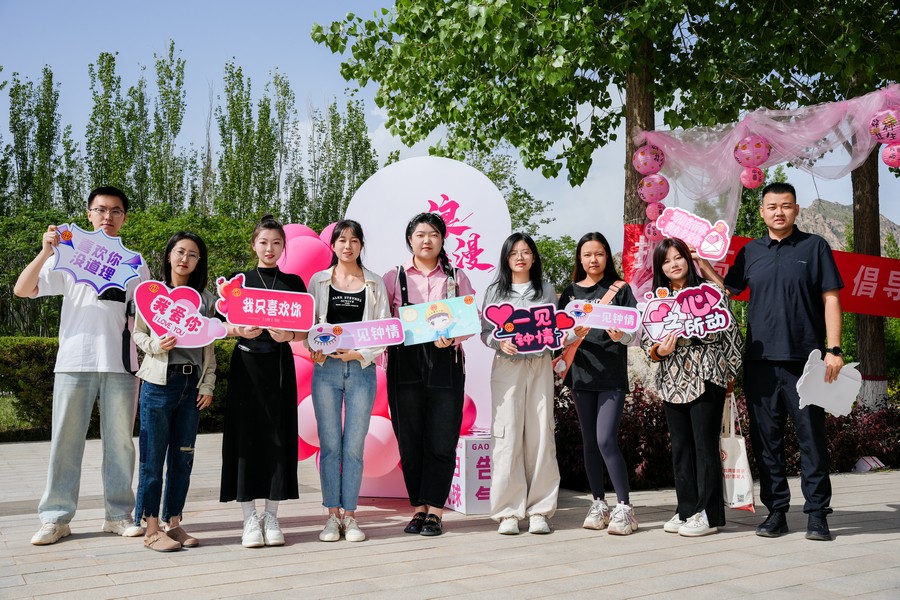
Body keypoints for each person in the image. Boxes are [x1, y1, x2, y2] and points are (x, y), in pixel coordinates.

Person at [707, 181, 843, 541]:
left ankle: (817, 514)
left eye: (785, 205)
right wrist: (700, 263)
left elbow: (831, 298)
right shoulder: (751, 251)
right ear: (762, 211)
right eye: (772, 206)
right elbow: (728, 291)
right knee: (767, 440)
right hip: (760, 362)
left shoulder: (815, 247)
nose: (778, 212)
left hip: (806, 361)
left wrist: (834, 349)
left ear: (796, 209)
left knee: (811, 438)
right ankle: (777, 512)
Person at [14, 186, 149, 545]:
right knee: (66, 442)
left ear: (124, 217)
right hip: (75, 360)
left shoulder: (135, 261)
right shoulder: (69, 254)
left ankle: (118, 515)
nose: (108, 216)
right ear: (89, 214)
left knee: (121, 444)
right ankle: (55, 518)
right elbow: (23, 289)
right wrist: (46, 251)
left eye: (116, 210)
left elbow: (149, 312)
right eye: (101, 209)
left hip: (122, 364)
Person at [383, 212, 475, 537]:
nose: (427, 240)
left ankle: (435, 510)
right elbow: (382, 322)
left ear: (442, 240)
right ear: (410, 239)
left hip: (445, 362)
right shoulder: (392, 277)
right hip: (404, 363)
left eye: (433, 234)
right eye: (420, 234)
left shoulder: (456, 277)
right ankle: (418, 509)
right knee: (409, 439)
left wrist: (454, 336)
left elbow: (470, 319)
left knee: (442, 438)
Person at [643, 237, 742, 537]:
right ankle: (686, 509)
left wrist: (729, 376)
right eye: (666, 261)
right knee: (681, 446)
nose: (673, 264)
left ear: (689, 259)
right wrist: (659, 350)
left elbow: (732, 334)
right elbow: (648, 343)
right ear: (660, 267)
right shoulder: (655, 301)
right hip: (672, 377)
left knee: (704, 445)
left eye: (678, 257)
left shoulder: (711, 293)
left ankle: (708, 514)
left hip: (707, 372)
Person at [219, 214, 307, 548]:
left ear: (284, 247)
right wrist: (237, 330)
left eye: (276, 243)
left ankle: (271, 515)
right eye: (263, 242)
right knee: (244, 438)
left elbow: (306, 330)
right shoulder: (239, 283)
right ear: (253, 244)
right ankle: (248, 518)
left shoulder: (293, 283)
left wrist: (290, 336)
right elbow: (218, 324)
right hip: (246, 364)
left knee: (277, 438)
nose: (269, 248)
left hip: (279, 366)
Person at [306, 220, 390, 543]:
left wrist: (359, 354)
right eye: (342, 240)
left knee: (354, 446)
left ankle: (351, 516)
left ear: (361, 246)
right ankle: (331, 516)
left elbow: (383, 328)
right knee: (330, 446)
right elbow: (309, 327)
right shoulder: (318, 281)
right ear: (333, 245)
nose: (348, 246)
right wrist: (313, 348)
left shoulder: (374, 283)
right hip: (325, 371)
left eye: (354, 241)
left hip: (361, 371)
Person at [133, 232, 216, 552]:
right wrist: (156, 345)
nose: (185, 259)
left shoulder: (205, 300)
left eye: (192, 254)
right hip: (158, 384)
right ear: (169, 255)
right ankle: (151, 528)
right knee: (153, 459)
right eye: (180, 252)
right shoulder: (152, 294)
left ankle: (174, 523)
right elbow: (139, 334)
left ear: (199, 262)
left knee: (183, 458)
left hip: (191, 386)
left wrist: (207, 384)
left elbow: (209, 347)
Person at [557, 232, 639, 535]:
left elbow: (634, 332)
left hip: (611, 376)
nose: (593, 260)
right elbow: (559, 335)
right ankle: (599, 503)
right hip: (581, 375)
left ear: (607, 256)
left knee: (606, 440)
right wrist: (572, 334)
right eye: (587, 254)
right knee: (590, 442)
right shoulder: (570, 293)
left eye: (599, 254)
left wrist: (622, 336)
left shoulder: (620, 289)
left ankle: (624, 508)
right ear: (579, 258)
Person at [481, 233, 561, 535]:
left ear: (534, 257)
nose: (520, 257)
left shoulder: (546, 290)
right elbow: (485, 331)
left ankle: (540, 510)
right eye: (514, 252)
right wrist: (499, 343)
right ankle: (508, 512)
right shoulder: (494, 292)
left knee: (541, 434)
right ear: (506, 258)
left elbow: (554, 328)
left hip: (539, 365)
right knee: (507, 435)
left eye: (526, 252)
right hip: (507, 367)